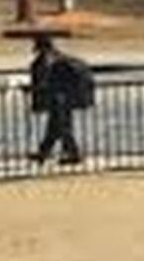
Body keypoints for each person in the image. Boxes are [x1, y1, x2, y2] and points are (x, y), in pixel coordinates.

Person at [24, 35, 93, 167]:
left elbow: (45, 82)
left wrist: (31, 89)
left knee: (61, 127)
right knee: (55, 128)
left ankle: (73, 154)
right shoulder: (59, 56)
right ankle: (44, 153)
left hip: (57, 98)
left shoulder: (47, 59)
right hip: (66, 97)